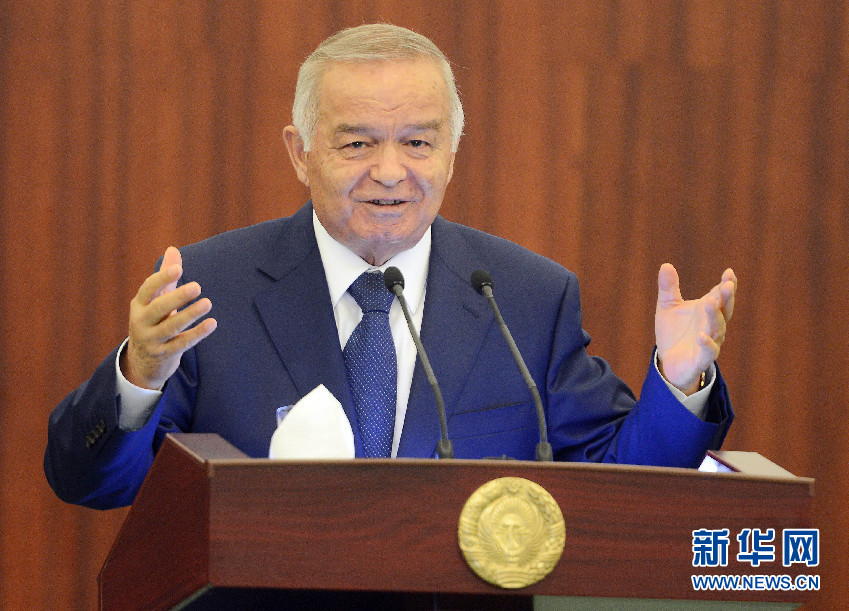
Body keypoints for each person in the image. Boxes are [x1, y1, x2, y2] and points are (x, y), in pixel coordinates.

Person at [45, 24, 737, 510]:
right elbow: (93, 484)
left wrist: (680, 384)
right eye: (357, 144)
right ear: (300, 152)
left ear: (452, 153)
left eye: (417, 143)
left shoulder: (524, 297)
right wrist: (139, 377)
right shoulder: (212, 289)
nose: (389, 171)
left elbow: (624, 483)